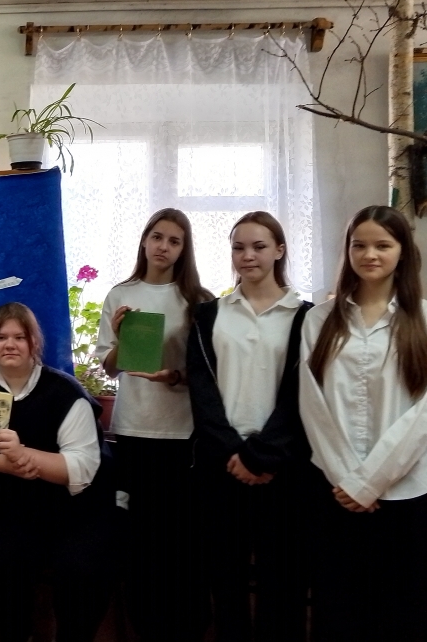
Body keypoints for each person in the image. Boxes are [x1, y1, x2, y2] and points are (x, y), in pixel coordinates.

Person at [0, 302, 119, 642]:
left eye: (19, 337)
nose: (9, 345)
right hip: (21, 505)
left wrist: (25, 455)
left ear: (34, 344)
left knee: (80, 569)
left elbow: (80, 468)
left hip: (79, 510)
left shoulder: (66, 393)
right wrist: (7, 464)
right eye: (1, 337)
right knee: (0, 557)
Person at [300, 206, 427, 642]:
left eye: (382, 245)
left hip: (405, 490)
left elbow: (423, 414)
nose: (370, 254)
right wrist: (348, 479)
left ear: (402, 252)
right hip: (334, 489)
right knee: (339, 609)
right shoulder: (319, 319)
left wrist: (371, 480)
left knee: (401, 610)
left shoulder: (423, 319)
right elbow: (312, 404)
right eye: (360, 245)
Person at [187, 212, 314, 642]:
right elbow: (202, 391)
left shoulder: (309, 317)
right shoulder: (208, 315)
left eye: (259, 247)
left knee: (285, 580)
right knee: (226, 580)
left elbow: (303, 394)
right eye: (238, 247)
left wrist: (263, 454)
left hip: (283, 466)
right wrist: (233, 452)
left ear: (279, 250)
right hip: (221, 465)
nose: (248, 256)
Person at [94, 207, 213, 642]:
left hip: (182, 434)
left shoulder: (198, 300)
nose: (164, 247)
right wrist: (120, 336)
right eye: (157, 237)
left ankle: (186, 626)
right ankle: (144, 625)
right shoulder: (120, 294)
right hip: (133, 430)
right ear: (145, 240)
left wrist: (175, 376)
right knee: (140, 537)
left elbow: (206, 372)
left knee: (181, 538)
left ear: (184, 249)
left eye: (174, 241)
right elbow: (110, 368)